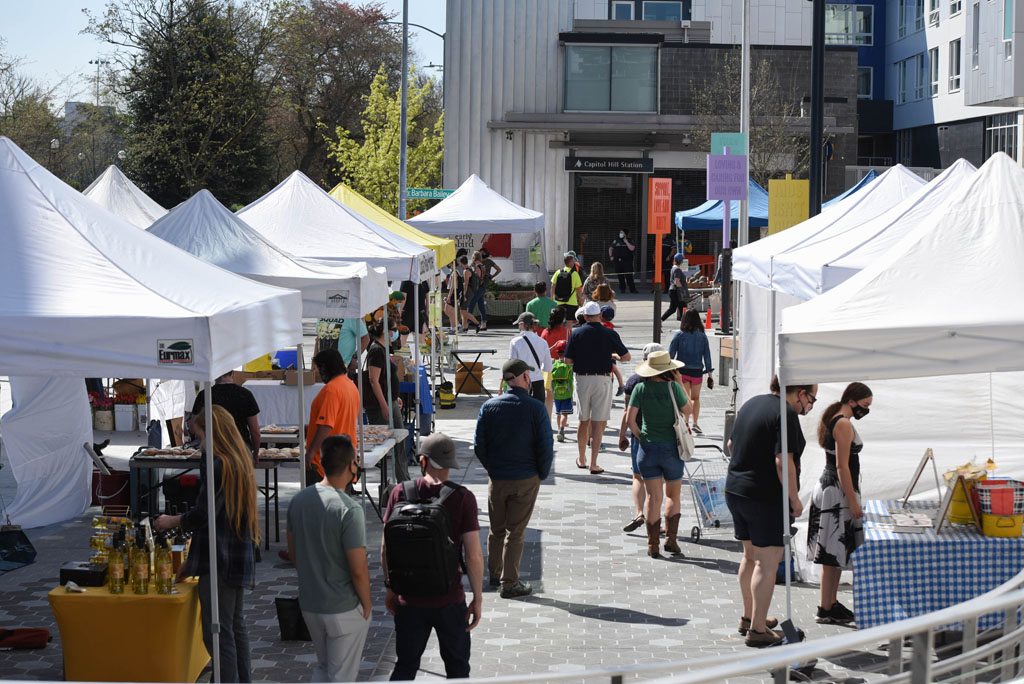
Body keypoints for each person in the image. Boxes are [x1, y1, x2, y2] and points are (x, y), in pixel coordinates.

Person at [155, 405, 258, 683]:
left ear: (213, 434)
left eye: (200, 437)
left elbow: (203, 515)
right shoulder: (240, 457)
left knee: (217, 632)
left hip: (221, 557)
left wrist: (171, 521)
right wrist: (192, 563)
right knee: (236, 627)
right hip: (235, 553)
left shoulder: (217, 464)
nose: (199, 445)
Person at [725, 376, 817, 647]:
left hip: (736, 489)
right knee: (767, 561)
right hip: (763, 497)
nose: (810, 405)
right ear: (800, 393)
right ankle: (757, 630)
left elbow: (731, 445)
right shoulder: (786, 413)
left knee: (750, 556)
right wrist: (794, 499)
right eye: (811, 399)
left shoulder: (753, 402)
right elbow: (782, 461)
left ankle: (750, 617)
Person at [383, 433, 484, 679]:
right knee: (458, 669)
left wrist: (391, 588)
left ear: (423, 461)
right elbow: (473, 556)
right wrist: (477, 597)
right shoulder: (462, 498)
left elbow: (386, 548)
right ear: (451, 464)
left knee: (405, 666)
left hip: (410, 598)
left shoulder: (400, 492)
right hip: (449, 598)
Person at [286, 435, 371, 683]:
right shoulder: (349, 509)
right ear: (351, 465)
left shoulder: (298, 501)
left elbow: (294, 557)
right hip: (343, 606)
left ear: (321, 463)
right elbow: (359, 568)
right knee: (340, 676)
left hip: (311, 603)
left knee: (324, 670)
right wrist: (366, 605)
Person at [474, 359, 554, 598]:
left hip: (498, 477)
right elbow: (545, 446)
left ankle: (494, 574)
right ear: (525, 378)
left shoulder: (489, 406)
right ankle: (509, 582)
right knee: (516, 532)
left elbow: (479, 445)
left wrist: (493, 467)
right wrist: (541, 472)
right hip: (526, 476)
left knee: (496, 529)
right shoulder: (535, 408)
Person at [808, 382, 872, 627]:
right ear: (852, 401)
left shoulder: (834, 416)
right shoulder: (843, 423)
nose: (866, 410)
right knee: (831, 551)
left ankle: (829, 604)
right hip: (836, 492)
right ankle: (825, 606)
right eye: (865, 405)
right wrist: (853, 500)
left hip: (831, 489)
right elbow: (842, 466)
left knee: (833, 553)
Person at [625, 351, 691, 558]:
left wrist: (641, 437)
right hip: (671, 447)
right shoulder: (673, 388)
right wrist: (680, 383)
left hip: (647, 449)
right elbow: (688, 409)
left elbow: (630, 419)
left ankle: (652, 545)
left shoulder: (640, 388)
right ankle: (671, 540)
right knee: (673, 494)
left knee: (653, 497)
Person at [563, 301, 631, 474]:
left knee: (583, 420)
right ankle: (594, 462)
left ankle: (581, 458)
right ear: (600, 315)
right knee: (598, 421)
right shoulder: (609, 333)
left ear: (585, 317)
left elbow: (568, 360)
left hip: (582, 379)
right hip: (602, 379)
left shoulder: (576, 333)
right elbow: (626, 357)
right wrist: (612, 355)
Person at [619, 343, 666, 533]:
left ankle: (639, 512)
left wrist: (623, 435)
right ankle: (656, 522)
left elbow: (626, 413)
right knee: (657, 482)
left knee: (638, 477)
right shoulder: (668, 380)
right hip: (664, 436)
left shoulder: (633, 382)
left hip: (640, 435)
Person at [305, 349, 361, 487]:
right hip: (346, 458)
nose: (319, 373)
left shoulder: (331, 390)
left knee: (321, 506)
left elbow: (326, 425)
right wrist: (312, 428)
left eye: (319, 369)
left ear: (325, 368)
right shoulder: (350, 385)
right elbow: (340, 418)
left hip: (325, 463)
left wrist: (311, 452)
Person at [364, 320, 409, 481]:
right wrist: (384, 405)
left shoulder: (382, 349)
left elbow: (385, 379)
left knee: (399, 441)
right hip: (380, 405)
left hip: (389, 401)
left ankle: (403, 479)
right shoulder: (376, 350)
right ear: (386, 331)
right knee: (387, 444)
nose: (396, 333)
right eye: (394, 329)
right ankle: (398, 481)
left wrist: (394, 396)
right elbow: (373, 380)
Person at [191, 371, 261, 462]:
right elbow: (255, 431)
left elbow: (193, 427)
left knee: (213, 476)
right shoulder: (245, 394)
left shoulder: (204, 395)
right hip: (241, 450)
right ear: (233, 374)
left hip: (213, 449)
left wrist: (204, 440)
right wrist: (255, 454)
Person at [668, 309, 714, 434]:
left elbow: (671, 353)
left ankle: (685, 423)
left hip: (681, 370)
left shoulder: (679, 335)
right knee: (695, 398)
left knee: (684, 397)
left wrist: (669, 369)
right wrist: (709, 373)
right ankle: (695, 423)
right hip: (697, 371)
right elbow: (707, 356)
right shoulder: (702, 336)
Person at [509, 312, 553, 409]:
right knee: (537, 416)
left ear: (522, 324)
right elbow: (548, 367)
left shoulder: (515, 342)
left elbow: (512, 366)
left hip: (521, 382)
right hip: (538, 382)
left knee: (522, 415)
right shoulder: (543, 342)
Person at [550, 340, 574, 443]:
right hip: (567, 392)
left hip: (556, 392)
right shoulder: (570, 364)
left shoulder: (553, 362)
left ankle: (559, 427)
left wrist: (553, 345)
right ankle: (562, 430)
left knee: (558, 413)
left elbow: (544, 355)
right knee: (565, 413)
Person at [551, 254, 583, 325]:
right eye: (573, 261)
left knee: (559, 323)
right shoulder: (574, 274)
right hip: (572, 302)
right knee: (569, 324)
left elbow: (553, 286)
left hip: (559, 301)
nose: (574, 263)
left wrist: (552, 298)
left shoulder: (558, 272)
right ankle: (568, 336)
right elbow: (578, 289)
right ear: (570, 262)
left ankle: (561, 335)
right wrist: (580, 299)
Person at [600, 306, 626, 396]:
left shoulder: (603, 326)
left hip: (607, 352)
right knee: (613, 368)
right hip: (612, 351)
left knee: (612, 368)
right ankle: (621, 385)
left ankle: (621, 385)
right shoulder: (610, 326)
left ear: (601, 314)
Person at [661, 254, 689, 323]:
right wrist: (682, 291)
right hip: (676, 291)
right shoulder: (677, 269)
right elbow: (677, 281)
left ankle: (660, 321)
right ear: (681, 261)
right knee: (683, 307)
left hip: (673, 290)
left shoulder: (674, 268)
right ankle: (685, 325)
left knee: (673, 309)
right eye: (682, 260)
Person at [608, 229, 637, 293]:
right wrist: (611, 256)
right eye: (620, 232)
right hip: (618, 261)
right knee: (620, 276)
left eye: (622, 232)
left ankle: (632, 289)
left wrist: (626, 242)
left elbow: (632, 248)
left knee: (629, 276)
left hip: (627, 261)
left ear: (625, 234)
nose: (620, 233)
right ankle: (622, 289)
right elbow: (610, 248)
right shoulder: (616, 241)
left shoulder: (630, 240)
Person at [466, 251, 489, 332]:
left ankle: (467, 323)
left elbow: (477, 277)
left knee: (471, 304)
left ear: (474, 257)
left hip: (478, 288)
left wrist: (472, 271)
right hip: (483, 288)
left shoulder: (478, 266)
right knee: (481, 306)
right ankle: (484, 324)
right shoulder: (483, 266)